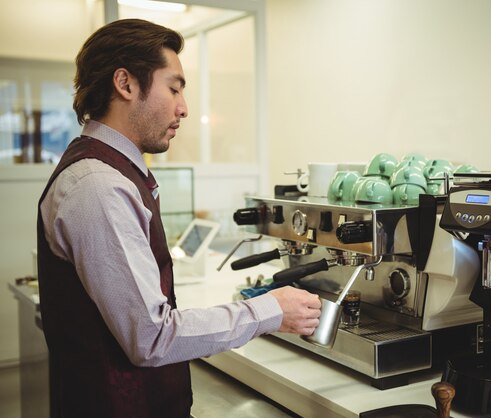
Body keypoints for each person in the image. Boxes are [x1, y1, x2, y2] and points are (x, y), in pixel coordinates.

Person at [37, 18, 321, 418]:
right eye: (174, 88)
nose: (184, 108)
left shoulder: (112, 172)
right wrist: (271, 310)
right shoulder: (98, 185)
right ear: (126, 84)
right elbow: (151, 337)